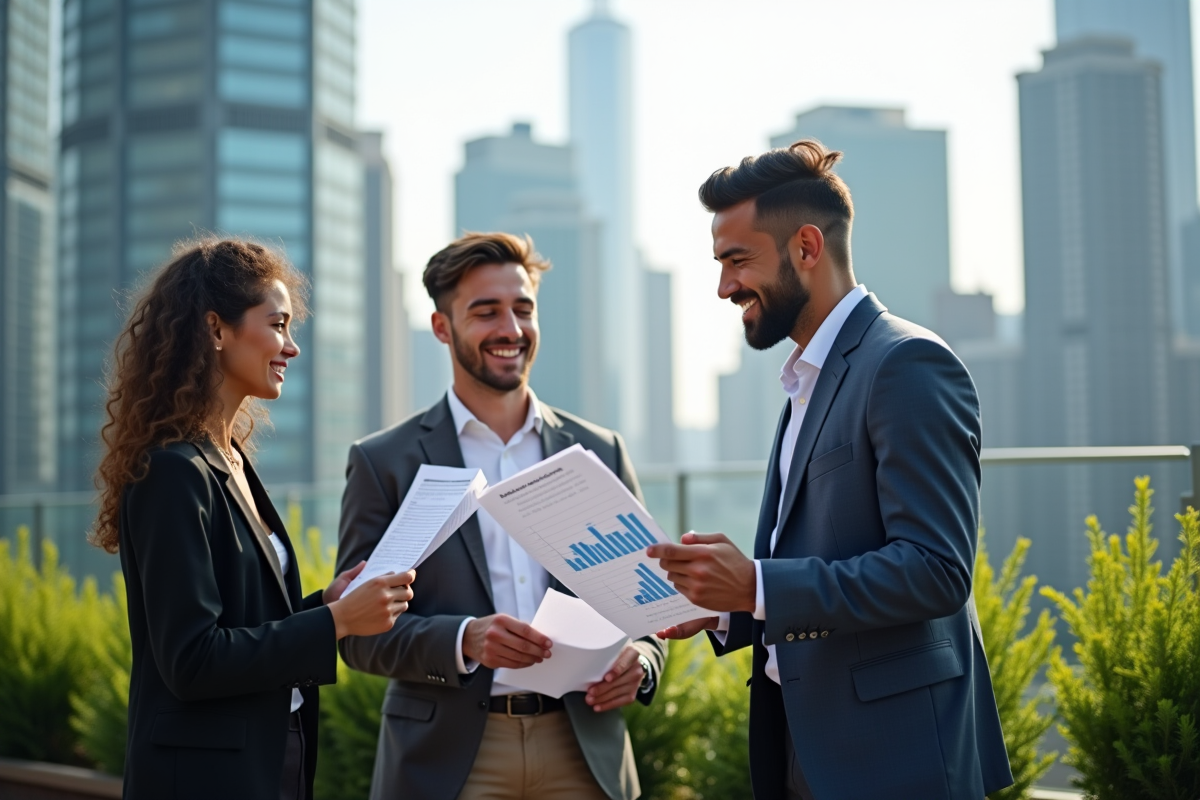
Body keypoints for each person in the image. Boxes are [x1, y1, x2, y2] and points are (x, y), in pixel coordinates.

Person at [648, 141, 1014, 799]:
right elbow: (819, 562)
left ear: (807, 248)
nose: (724, 287)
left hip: (894, 758)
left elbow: (935, 571)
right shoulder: (807, 380)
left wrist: (756, 583)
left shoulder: (906, 364)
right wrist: (731, 607)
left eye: (737, 260)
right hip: (806, 744)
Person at [336, 232, 666, 800]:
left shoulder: (598, 449)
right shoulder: (385, 461)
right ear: (442, 327)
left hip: (584, 749)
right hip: (446, 760)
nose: (511, 329)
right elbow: (356, 633)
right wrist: (463, 639)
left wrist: (644, 659)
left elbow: (649, 603)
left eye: (523, 309)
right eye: (486, 312)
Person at [91, 239, 416, 800]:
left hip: (270, 754)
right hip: (204, 779)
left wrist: (325, 604)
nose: (292, 346)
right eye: (278, 325)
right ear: (217, 330)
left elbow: (243, 621)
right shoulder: (173, 473)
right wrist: (335, 622)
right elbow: (193, 660)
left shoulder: (231, 460)